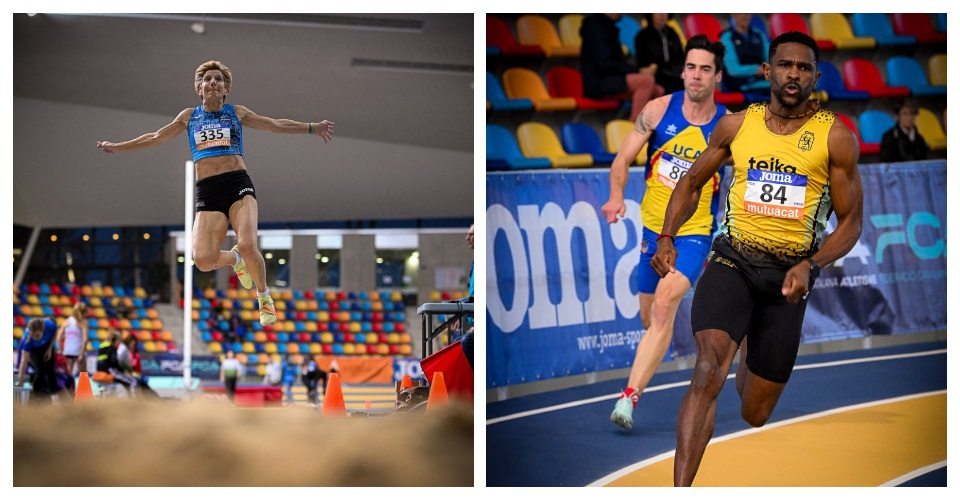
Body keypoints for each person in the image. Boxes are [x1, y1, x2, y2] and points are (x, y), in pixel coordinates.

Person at [650, 31, 863, 486]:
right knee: (707, 370)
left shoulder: (835, 137)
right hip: (733, 260)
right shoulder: (736, 126)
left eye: (804, 68)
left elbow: (851, 223)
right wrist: (667, 235)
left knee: (755, 412)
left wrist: (812, 265)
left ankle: (749, 339)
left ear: (816, 77)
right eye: (785, 65)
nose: (793, 74)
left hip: (788, 277)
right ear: (767, 71)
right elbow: (690, 182)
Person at [97, 60, 334, 327]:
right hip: (208, 190)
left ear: (226, 89)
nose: (213, 82)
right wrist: (118, 147)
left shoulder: (236, 112)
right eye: (207, 79)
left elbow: (274, 124)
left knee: (248, 244)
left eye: (218, 79)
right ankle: (235, 259)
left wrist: (312, 127)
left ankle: (264, 296)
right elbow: (154, 137)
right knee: (203, 260)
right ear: (199, 88)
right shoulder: (189, 117)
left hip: (237, 184)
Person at [601, 34, 730, 431]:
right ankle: (660, 339)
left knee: (662, 306)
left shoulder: (728, 126)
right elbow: (623, 158)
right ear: (683, 71)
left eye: (705, 69)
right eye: (691, 67)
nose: (696, 75)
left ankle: (628, 399)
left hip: (694, 234)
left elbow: (746, 173)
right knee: (649, 317)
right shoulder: (658, 110)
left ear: (717, 76)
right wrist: (616, 195)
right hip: (653, 232)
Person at [580, 14, 665, 122]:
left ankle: (648, 126)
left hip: (612, 79)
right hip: (598, 82)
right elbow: (605, 64)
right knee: (646, 81)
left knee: (658, 90)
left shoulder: (609, 27)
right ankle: (635, 127)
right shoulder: (595, 28)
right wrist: (638, 71)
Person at [719, 14, 771, 93]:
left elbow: (771, 57)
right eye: (740, 13)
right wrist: (757, 70)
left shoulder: (758, 34)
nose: (744, 16)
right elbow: (733, 70)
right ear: (733, 15)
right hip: (741, 84)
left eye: (747, 13)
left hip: (763, 79)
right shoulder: (727, 37)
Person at [634, 14, 685, 94]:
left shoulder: (672, 33)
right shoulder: (642, 36)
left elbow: (680, 58)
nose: (661, 15)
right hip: (656, 77)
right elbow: (642, 65)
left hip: (676, 75)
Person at [16, 318, 62, 403]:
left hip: (47, 345)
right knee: (40, 370)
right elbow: (23, 362)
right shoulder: (27, 340)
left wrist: (49, 349)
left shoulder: (50, 326)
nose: (35, 338)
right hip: (34, 349)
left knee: (50, 370)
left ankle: (55, 397)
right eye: (33, 335)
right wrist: (20, 382)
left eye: (37, 335)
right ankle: (35, 396)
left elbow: (54, 334)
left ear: (43, 330)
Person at [879, 98, 929, 162]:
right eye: (905, 114)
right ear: (898, 116)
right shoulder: (889, 137)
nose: (909, 118)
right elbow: (885, 162)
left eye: (912, 113)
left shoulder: (919, 139)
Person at [94, 330, 139, 396]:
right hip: (110, 371)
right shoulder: (112, 348)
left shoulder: (102, 347)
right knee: (133, 381)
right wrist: (123, 370)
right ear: (116, 340)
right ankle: (134, 399)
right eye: (119, 340)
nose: (120, 342)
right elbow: (113, 363)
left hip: (100, 371)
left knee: (115, 386)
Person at [56, 302, 89, 376]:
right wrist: (82, 353)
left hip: (68, 351)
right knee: (83, 373)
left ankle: (70, 383)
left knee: (68, 373)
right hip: (78, 350)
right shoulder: (83, 322)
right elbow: (85, 339)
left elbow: (59, 337)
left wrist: (60, 350)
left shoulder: (67, 321)